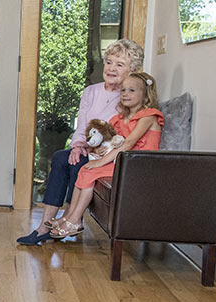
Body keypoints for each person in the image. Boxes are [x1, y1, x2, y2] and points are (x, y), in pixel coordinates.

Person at [17, 39, 145, 245]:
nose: (111, 68)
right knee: (62, 157)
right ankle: (46, 224)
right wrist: (77, 144)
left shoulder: (129, 97)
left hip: (106, 153)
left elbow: (121, 133)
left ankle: (68, 221)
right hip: (86, 146)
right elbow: (82, 124)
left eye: (119, 65)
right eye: (110, 62)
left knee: (76, 161)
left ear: (133, 70)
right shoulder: (91, 91)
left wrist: (88, 148)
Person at [49, 72, 163, 238]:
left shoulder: (148, 116)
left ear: (145, 95)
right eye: (123, 90)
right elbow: (110, 140)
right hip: (123, 162)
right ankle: (68, 217)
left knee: (92, 170)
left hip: (141, 165)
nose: (125, 94)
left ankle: (75, 220)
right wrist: (102, 149)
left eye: (132, 90)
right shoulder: (119, 118)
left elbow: (128, 144)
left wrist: (100, 162)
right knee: (85, 171)